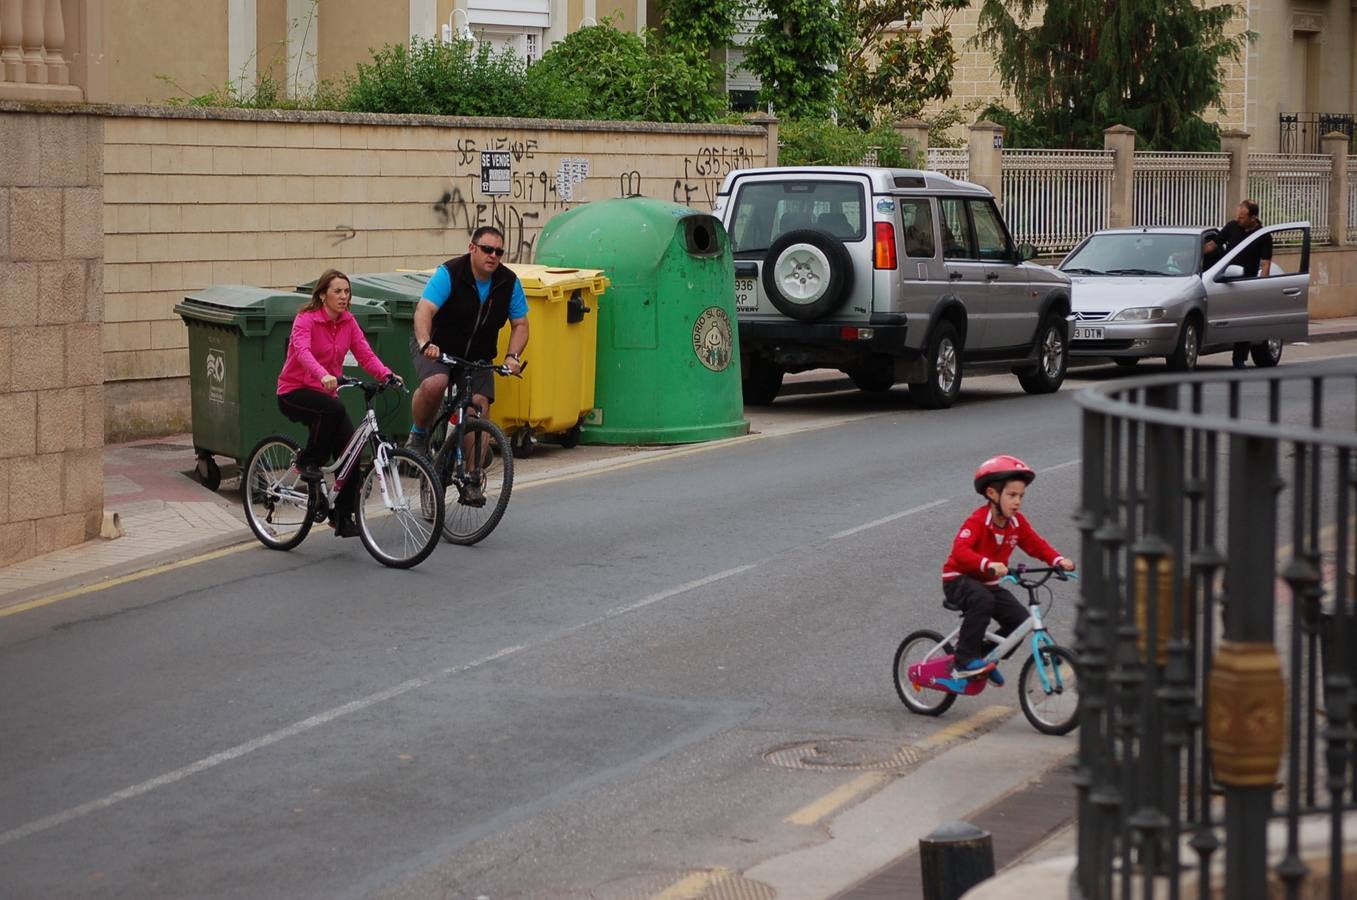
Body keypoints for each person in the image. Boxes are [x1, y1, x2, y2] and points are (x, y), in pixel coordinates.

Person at [407, 226, 528, 503]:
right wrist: (426, 343)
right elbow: (424, 311)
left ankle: (473, 478)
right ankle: (419, 435)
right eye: (487, 249)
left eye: (499, 251)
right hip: (438, 346)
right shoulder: (450, 273)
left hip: (477, 355)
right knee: (435, 383)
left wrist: (513, 356)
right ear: (472, 248)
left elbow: (520, 324)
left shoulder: (508, 282)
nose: (493, 256)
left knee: (478, 405)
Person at [277, 269, 400, 538]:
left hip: (325, 394)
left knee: (351, 453)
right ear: (323, 295)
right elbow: (302, 351)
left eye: (347, 292)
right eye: (338, 291)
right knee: (332, 409)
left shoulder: (348, 322)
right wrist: (322, 374)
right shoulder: (306, 319)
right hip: (294, 390)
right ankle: (307, 462)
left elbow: (365, 354)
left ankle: (342, 518)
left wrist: (387, 375)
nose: (344, 297)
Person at [936, 455, 1076, 691]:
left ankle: (984, 659)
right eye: (1012, 495)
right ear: (992, 494)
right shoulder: (978, 520)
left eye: (1021, 496)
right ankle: (963, 662)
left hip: (987, 583)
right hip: (958, 580)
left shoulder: (1017, 523)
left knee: (1020, 621)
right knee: (983, 599)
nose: (1018, 501)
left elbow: (1036, 544)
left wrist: (1058, 560)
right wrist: (987, 564)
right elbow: (960, 551)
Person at [1203, 199, 1272, 367]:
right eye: (1238, 216)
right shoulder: (1232, 226)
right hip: (1226, 279)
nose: (1238, 220)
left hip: (1246, 282)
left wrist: (1260, 287)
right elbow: (1213, 245)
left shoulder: (1263, 236)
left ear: (1253, 217)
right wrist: (1191, 253)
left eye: (1242, 217)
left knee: (1243, 322)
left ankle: (1239, 359)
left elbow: (1265, 264)